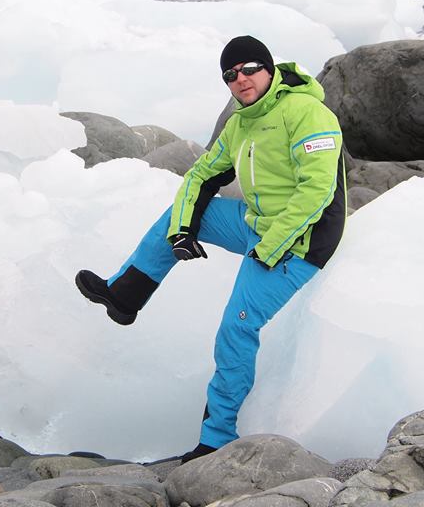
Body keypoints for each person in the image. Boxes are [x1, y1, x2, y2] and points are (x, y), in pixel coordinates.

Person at [75, 35, 347, 463]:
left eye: (250, 68)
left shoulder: (308, 113)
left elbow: (318, 190)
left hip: (299, 242)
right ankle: (126, 294)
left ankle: (217, 436)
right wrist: (184, 231)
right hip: (256, 224)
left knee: (236, 329)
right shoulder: (241, 122)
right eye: (230, 74)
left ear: (270, 68)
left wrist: (270, 248)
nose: (241, 79)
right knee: (177, 216)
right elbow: (202, 175)